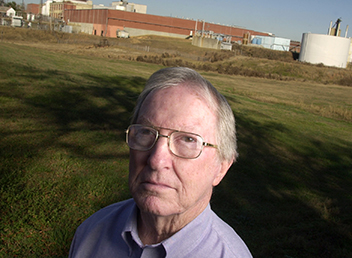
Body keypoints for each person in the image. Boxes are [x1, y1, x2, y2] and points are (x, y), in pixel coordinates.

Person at [68, 67, 252, 258]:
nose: (156, 159)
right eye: (146, 132)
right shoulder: (91, 231)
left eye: (188, 140)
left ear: (221, 168)